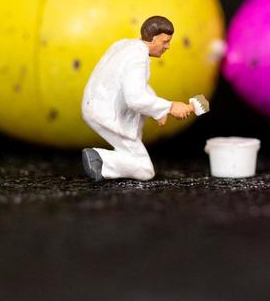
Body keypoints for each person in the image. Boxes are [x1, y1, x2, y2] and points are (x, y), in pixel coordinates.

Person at [80, 15, 192, 181]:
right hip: (105, 113)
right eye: (165, 41)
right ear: (153, 39)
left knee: (131, 149)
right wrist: (169, 107)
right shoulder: (137, 59)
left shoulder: (126, 45)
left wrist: (158, 111)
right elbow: (135, 98)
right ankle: (100, 160)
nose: (168, 46)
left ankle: (104, 163)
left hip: (95, 104)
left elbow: (137, 85)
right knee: (144, 169)